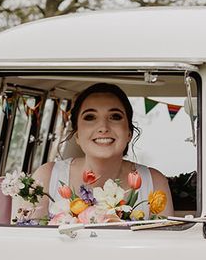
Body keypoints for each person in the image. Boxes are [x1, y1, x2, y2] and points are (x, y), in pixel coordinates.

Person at [30, 83, 172, 220]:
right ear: (77, 135)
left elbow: (166, 242)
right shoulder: (47, 177)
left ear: (129, 132)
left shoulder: (154, 182)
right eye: (90, 117)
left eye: (115, 117)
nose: (103, 127)